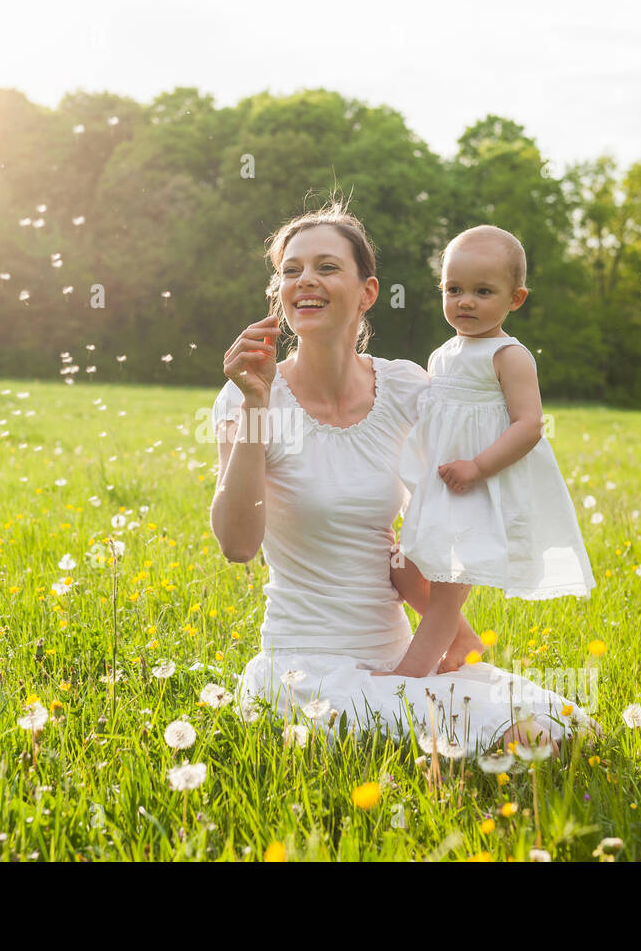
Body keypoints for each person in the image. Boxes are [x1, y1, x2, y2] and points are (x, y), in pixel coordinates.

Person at [209, 198, 598, 756]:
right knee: (519, 744)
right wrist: (253, 403)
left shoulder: (406, 390)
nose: (305, 281)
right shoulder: (250, 396)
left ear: (367, 292)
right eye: (290, 270)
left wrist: (442, 629)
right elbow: (238, 544)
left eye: (326, 266)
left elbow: (448, 518)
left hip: (402, 660)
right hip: (307, 672)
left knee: (567, 730)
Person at [386, 225, 597, 679]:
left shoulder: (508, 356)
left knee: (446, 586)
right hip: (442, 485)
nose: (465, 302)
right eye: (454, 289)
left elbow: (529, 426)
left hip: (478, 490)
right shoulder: (443, 354)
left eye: (483, 291)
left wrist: (478, 467)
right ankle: (464, 642)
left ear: (514, 299)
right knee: (403, 569)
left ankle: (412, 672)